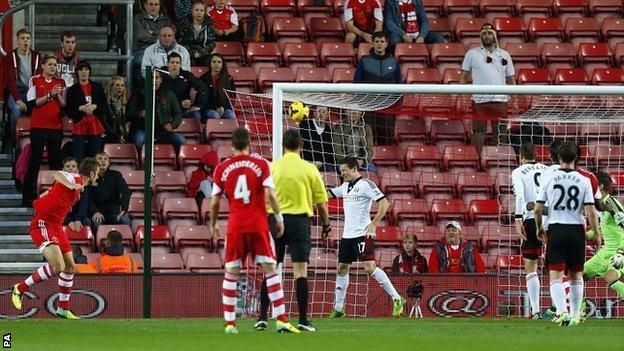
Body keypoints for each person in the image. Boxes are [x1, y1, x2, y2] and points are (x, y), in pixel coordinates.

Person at [208, 127, 300, 334]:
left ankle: (230, 324)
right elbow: (271, 195)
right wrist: (279, 217)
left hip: (235, 226)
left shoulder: (222, 168)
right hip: (258, 224)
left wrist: (213, 223)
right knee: (270, 269)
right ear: (249, 144)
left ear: (232, 145)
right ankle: (282, 320)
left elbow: (214, 201)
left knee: (232, 272)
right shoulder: (260, 164)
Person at [256, 129, 330, 332]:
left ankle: (262, 318)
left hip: (276, 220)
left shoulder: (272, 168)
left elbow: (264, 198)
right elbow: (322, 204)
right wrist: (326, 226)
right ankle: (303, 320)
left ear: (283, 145)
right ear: (302, 145)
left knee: (271, 270)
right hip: (299, 222)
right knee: (300, 271)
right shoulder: (309, 169)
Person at [11, 158, 100, 319]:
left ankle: (63, 308)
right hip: (43, 224)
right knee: (58, 266)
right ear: (93, 174)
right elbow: (57, 174)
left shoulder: (79, 191)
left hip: (56, 227)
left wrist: (49, 194)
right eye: (98, 174)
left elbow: (56, 194)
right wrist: (71, 185)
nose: (98, 177)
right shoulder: (75, 178)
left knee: (70, 267)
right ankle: (20, 288)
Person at [327, 156, 404, 318]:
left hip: (363, 233)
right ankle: (339, 308)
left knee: (369, 267)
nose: (343, 174)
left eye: (345, 171)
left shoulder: (366, 185)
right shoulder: (345, 186)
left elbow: (384, 203)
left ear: (355, 169)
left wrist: (375, 223)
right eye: (341, 172)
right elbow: (328, 194)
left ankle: (397, 299)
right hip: (347, 236)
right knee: (341, 268)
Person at [534, 141, 601, 327]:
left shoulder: (549, 178)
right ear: (577, 158)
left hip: (556, 229)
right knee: (576, 274)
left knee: (555, 274)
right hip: (576, 231)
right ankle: (576, 315)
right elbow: (591, 211)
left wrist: (539, 228)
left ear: (559, 158)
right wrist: (596, 234)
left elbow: (538, 209)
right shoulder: (585, 180)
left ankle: (562, 312)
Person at [459, 23, 515, 155]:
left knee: (500, 132)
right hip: (479, 101)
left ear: (494, 36)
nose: (487, 36)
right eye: (484, 34)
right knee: (478, 132)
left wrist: (515, 98)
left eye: (489, 33)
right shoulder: (471, 54)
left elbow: (511, 78)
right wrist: (462, 97)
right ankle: (477, 158)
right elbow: (463, 76)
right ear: (480, 37)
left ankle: (499, 157)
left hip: (500, 100)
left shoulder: (505, 55)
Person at [22, 54, 67, 207]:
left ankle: (57, 196)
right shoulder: (34, 80)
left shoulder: (61, 82)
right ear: (43, 66)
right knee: (35, 161)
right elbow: (32, 103)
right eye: (50, 64)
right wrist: (50, 95)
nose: (53, 67)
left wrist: (57, 95)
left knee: (56, 161)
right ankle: (29, 197)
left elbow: (63, 105)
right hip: (38, 127)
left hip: (56, 127)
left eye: (55, 65)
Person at [511, 143, 548, 319]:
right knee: (558, 265)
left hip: (532, 220)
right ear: (536, 154)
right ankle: (562, 309)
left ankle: (536, 310)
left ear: (520, 156)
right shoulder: (548, 169)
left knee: (531, 266)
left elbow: (520, 196)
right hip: (551, 219)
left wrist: (518, 219)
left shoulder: (518, 172)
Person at [583, 172, 624, 300]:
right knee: (578, 276)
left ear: (599, 186)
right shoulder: (600, 206)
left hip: (618, 251)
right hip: (606, 251)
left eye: (591, 184)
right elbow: (602, 229)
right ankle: (579, 311)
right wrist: (582, 235)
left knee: (610, 277)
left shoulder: (611, 203)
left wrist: (621, 252)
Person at [65, 60, 115, 160]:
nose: (84, 72)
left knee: (94, 158)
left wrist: (95, 106)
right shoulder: (72, 90)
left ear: (89, 71)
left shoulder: (98, 87)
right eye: (81, 69)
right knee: (78, 158)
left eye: (86, 69)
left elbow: (104, 107)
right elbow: (69, 111)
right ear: (77, 72)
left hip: (95, 126)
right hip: (79, 126)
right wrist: (80, 108)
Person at [2, 27, 42, 145]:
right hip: (16, 91)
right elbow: (10, 82)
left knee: (40, 108)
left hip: (32, 91)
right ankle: (13, 139)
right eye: (23, 38)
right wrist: (18, 100)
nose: (25, 41)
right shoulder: (10, 57)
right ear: (18, 41)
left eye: (28, 38)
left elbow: (39, 78)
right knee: (16, 109)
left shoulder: (37, 56)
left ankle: (36, 137)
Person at [130, 70, 186, 152]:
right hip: (143, 131)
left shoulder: (168, 94)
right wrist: (140, 114)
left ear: (161, 80)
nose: (154, 80)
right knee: (139, 140)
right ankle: (141, 162)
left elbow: (178, 114)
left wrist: (172, 125)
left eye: (157, 78)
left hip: (163, 132)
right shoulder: (138, 94)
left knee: (181, 140)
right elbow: (127, 114)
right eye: (152, 78)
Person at [89, 152, 132, 231]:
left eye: (105, 159)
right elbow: (88, 198)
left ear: (108, 163)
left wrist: (124, 209)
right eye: (100, 159)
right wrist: (95, 211)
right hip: (98, 212)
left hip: (114, 213)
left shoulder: (116, 175)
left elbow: (126, 192)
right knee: (97, 221)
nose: (103, 161)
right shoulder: (90, 177)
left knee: (125, 220)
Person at [132, 0, 171, 87]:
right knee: (143, 61)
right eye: (151, 4)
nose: (154, 7)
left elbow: (170, 34)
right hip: (142, 50)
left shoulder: (166, 20)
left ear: (159, 6)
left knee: (173, 62)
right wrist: (160, 35)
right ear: (145, 6)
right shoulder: (137, 19)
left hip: (161, 51)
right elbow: (141, 35)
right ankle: (143, 92)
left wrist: (151, 32)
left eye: (156, 4)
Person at [161, 52, 208, 121]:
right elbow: (161, 95)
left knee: (196, 115)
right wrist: (180, 103)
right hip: (166, 110)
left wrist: (198, 105)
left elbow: (203, 87)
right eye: (172, 62)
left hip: (183, 110)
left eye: (177, 63)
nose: (175, 65)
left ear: (181, 65)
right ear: (167, 64)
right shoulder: (161, 75)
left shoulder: (186, 75)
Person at [178, 0, 217, 67]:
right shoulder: (184, 24)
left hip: (204, 54)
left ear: (204, 12)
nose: (199, 13)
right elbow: (181, 43)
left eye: (201, 10)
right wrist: (193, 53)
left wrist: (201, 53)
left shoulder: (209, 24)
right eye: (196, 10)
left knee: (209, 62)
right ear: (192, 11)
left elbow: (212, 43)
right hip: (189, 54)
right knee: (188, 63)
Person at [199, 53, 236, 120]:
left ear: (222, 64)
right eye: (214, 62)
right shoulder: (203, 79)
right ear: (210, 64)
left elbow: (232, 97)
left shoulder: (229, 79)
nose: (216, 64)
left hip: (224, 108)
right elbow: (203, 98)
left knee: (231, 115)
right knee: (215, 116)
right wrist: (215, 108)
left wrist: (223, 108)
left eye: (219, 62)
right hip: (208, 108)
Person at [299, 106, 336, 171]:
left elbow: (328, 151)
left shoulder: (329, 131)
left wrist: (321, 163)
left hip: (322, 165)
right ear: (314, 113)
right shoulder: (305, 124)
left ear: (327, 115)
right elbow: (301, 145)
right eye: (319, 111)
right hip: (306, 162)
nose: (321, 115)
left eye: (324, 112)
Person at [62, 157, 92, 231]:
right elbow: (59, 205)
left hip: (78, 215)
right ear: (63, 169)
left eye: (73, 166)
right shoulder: (58, 183)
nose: (71, 168)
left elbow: (84, 204)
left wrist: (78, 219)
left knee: (87, 222)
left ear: (77, 170)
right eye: (68, 166)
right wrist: (68, 221)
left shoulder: (83, 183)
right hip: (63, 215)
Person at [105, 76, 130, 143]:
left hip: (122, 133)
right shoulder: (106, 103)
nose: (120, 87)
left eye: (122, 85)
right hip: (109, 134)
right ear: (111, 87)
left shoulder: (124, 103)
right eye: (117, 85)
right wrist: (117, 136)